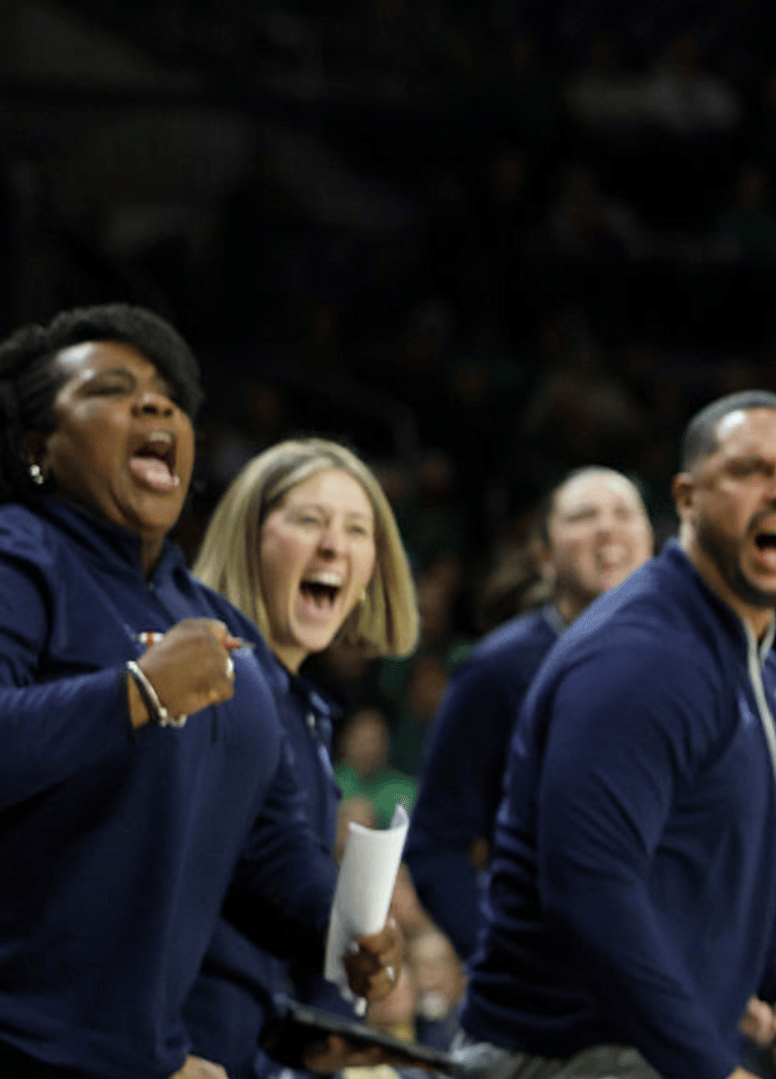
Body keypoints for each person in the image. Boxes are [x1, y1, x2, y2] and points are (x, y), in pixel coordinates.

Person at [0, 304, 401, 1079]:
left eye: (167, 395)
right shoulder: (22, 557)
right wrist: (138, 691)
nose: (155, 405)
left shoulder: (211, 619)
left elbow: (267, 841)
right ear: (36, 447)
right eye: (113, 390)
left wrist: (340, 927)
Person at [454, 390, 776, 1079]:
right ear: (686, 498)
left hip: (664, 1049)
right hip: (564, 1054)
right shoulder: (641, 658)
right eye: (751, 469)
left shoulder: (769, 675)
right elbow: (590, 887)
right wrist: (709, 1067)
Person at [187, 437, 423, 1079]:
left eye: (357, 529)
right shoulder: (208, 681)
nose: (333, 546)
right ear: (248, 535)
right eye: (309, 520)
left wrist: (329, 1049)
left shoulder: (302, 708)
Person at [406, 466, 654, 960]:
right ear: (543, 556)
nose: (607, 528)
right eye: (584, 515)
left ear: (651, 544)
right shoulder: (497, 670)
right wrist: (495, 960)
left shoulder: (690, 663)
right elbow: (438, 843)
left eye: (624, 513)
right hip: (550, 990)